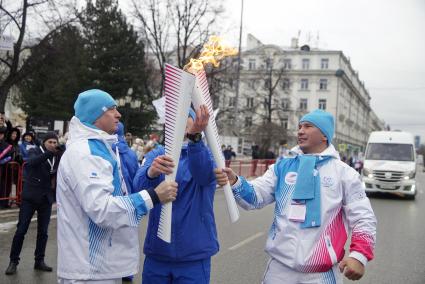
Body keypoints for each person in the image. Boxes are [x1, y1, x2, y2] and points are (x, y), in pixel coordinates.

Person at [215, 109, 377, 283]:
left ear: (324, 135)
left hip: (321, 275)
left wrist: (359, 256)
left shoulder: (345, 174)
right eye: (300, 127)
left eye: (308, 126)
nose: (300, 131)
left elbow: (363, 219)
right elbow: (256, 197)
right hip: (279, 271)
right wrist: (235, 181)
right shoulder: (283, 167)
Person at [55, 89, 178, 283]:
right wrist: (153, 196)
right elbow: (101, 209)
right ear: (96, 115)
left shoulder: (99, 147)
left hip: (99, 267)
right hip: (89, 270)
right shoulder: (86, 153)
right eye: (112, 109)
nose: (118, 115)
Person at [133, 105, 219, 284]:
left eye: (186, 123)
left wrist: (195, 139)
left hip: (193, 256)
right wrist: (151, 173)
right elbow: (138, 189)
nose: (180, 126)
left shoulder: (207, 155)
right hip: (158, 253)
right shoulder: (157, 154)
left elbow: (204, 175)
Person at [5, 132, 63, 275]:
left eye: (55, 143)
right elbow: (32, 163)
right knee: (21, 230)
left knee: (43, 233)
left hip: (46, 198)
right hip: (30, 198)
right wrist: (50, 153)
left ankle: (39, 261)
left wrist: (63, 151)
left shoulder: (57, 155)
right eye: (50, 142)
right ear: (44, 143)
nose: (53, 145)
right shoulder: (34, 150)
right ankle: (13, 261)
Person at [111, 122, 140, 283]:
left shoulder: (104, 149)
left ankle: (112, 269)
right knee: (127, 238)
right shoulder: (129, 153)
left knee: (110, 237)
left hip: (111, 200)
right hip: (128, 200)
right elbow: (136, 177)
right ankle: (127, 272)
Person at [0, 126, 13, 209]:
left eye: (1, 134)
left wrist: (2, 161)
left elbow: (9, 156)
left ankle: (2, 203)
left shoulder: (7, 145)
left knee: (2, 186)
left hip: (3, 169)